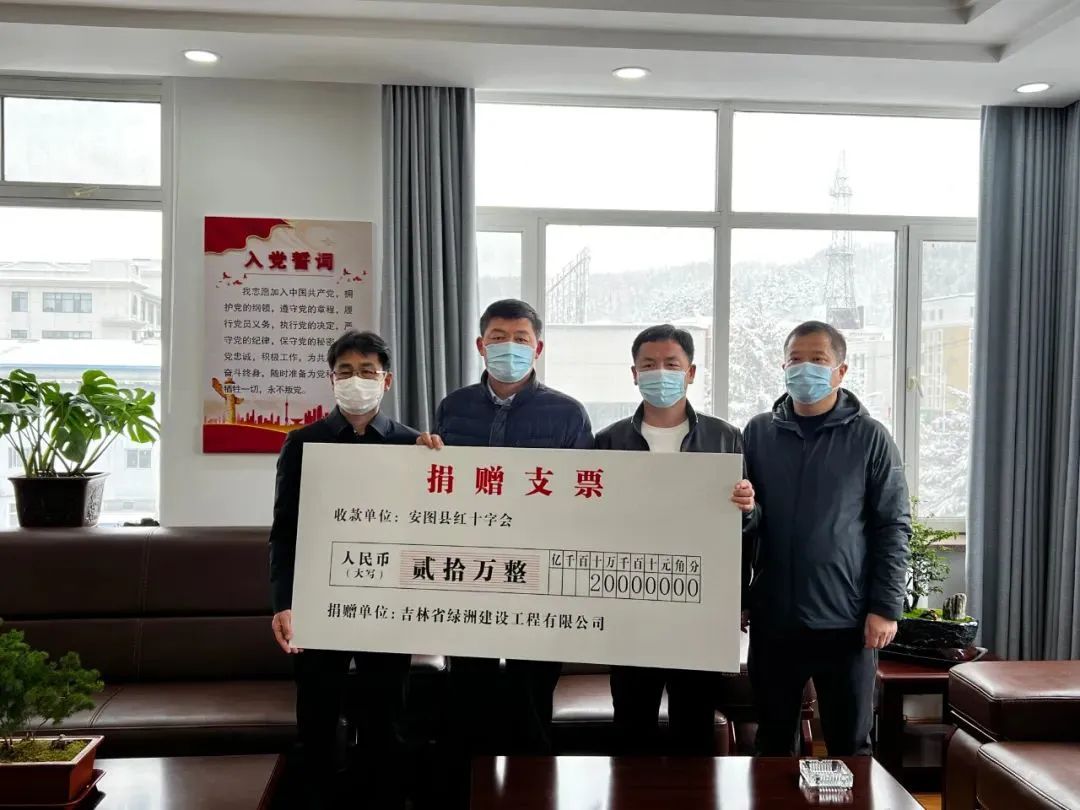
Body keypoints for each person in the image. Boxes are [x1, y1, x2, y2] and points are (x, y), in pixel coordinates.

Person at [416, 298, 592, 802]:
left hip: (538, 579)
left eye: (520, 339)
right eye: (498, 338)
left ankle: (530, 798)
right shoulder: (453, 407)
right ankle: (467, 798)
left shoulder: (567, 413)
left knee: (531, 704)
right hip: (469, 575)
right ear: (480, 345)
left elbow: (584, 498)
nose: (508, 348)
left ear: (538, 348)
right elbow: (438, 485)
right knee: (466, 698)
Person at [742, 320, 910, 757]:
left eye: (817, 360)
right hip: (774, 620)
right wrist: (739, 596)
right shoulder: (758, 433)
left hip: (846, 622)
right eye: (795, 360)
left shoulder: (870, 437)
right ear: (783, 367)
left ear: (841, 370)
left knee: (850, 743)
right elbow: (745, 523)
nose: (805, 369)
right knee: (773, 742)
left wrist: (885, 608)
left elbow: (892, 526)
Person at [268, 330, 419, 809]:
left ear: (386, 380)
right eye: (346, 371)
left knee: (386, 719)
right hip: (319, 601)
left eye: (367, 371)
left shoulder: (414, 445)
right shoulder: (302, 443)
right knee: (316, 719)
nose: (357, 380)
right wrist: (283, 603)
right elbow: (284, 532)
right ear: (331, 379)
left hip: (387, 606)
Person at [595, 324, 756, 755]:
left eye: (671, 364)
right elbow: (592, 523)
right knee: (631, 726)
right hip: (630, 605)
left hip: (699, 607)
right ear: (634, 374)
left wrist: (747, 509)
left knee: (694, 728)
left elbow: (748, 527)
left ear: (691, 373)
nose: (660, 373)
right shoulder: (608, 441)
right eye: (649, 365)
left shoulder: (725, 437)